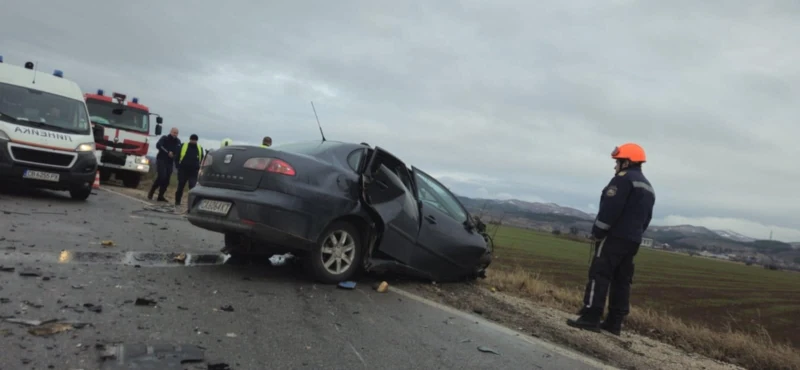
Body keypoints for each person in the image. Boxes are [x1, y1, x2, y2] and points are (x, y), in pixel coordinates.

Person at [566, 143, 655, 336]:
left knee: (600, 274)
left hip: (614, 237)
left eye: (617, 162)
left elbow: (610, 209)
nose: (615, 167)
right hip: (633, 240)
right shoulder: (648, 187)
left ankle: (591, 316)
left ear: (626, 162)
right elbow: (646, 218)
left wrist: (598, 231)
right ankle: (614, 323)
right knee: (622, 280)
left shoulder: (622, 180)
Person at [148, 127, 181, 202]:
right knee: (162, 176)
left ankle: (160, 196)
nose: (175, 134)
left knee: (167, 179)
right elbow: (158, 145)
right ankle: (151, 192)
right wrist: (167, 152)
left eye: (176, 133)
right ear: (171, 132)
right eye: (174, 132)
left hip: (170, 162)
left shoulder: (178, 141)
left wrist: (175, 156)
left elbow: (178, 151)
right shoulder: (165, 138)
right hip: (161, 159)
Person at [174, 134, 204, 206]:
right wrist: (178, 166)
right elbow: (177, 156)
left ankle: (191, 203)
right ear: (190, 139)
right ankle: (177, 201)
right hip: (183, 170)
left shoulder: (199, 148)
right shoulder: (183, 145)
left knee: (192, 187)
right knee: (180, 186)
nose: (193, 141)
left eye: (195, 140)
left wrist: (200, 168)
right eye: (192, 140)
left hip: (194, 171)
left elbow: (202, 159)